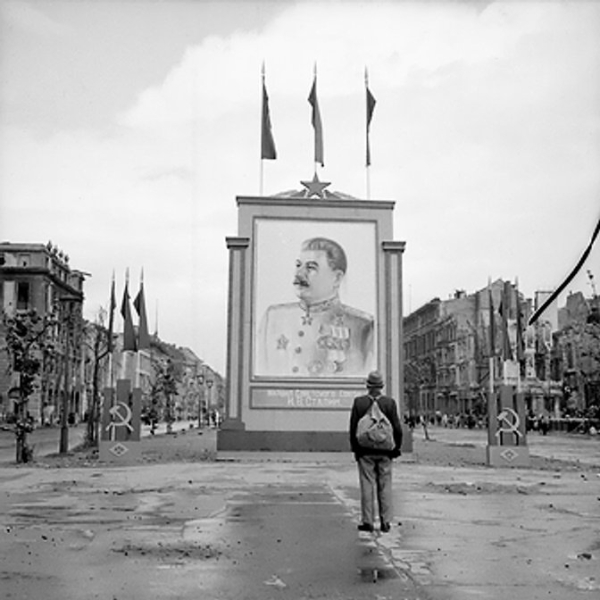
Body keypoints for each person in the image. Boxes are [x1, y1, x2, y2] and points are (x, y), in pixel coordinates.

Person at [256, 236, 374, 377]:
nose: (299, 274)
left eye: (311, 267)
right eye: (298, 265)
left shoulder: (363, 327)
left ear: (337, 278)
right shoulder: (273, 318)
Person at [349, 370, 403, 533]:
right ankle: (385, 522)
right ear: (381, 386)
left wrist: (356, 450)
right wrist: (396, 448)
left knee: (367, 486)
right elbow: (397, 429)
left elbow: (353, 429)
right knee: (385, 486)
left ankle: (368, 521)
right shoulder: (389, 403)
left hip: (365, 452)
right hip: (386, 452)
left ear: (367, 386)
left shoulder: (359, 403)